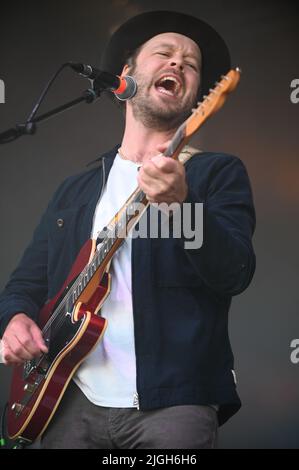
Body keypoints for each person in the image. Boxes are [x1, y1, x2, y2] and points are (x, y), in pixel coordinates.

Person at [0, 11, 256, 449]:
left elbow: (234, 272)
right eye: (165, 53)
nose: (178, 64)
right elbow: (27, 282)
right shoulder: (77, 188)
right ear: (125, 76)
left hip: (174, 405)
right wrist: (15, 319)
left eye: (190, 64)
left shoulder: (215, 173)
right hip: (68, 400)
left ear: (198, 97)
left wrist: (180, 206)